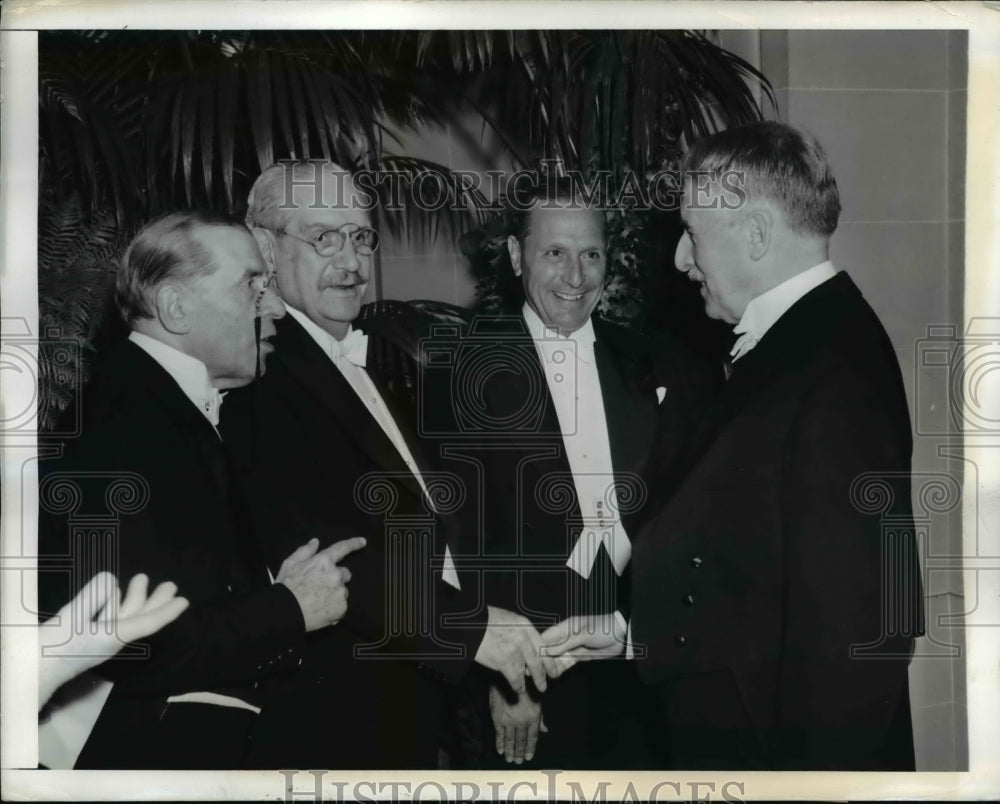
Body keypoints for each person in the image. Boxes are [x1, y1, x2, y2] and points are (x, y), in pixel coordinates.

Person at [221, 161, 561, 769]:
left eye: (361, 237)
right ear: (265, 249)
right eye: (325, 238)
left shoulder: (362, 360)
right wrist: (473, 631)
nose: (351, 261)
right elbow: (325, 555)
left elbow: (432, 528)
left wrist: (495, 668)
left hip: (405, 700)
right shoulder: (257, 376)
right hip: (327, 719)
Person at [628, 121, 924, 770]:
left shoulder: (834, 369)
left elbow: (858, 636)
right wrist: (630, 630)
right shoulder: (800, 344)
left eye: (693, 234)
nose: (680, 259)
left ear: (756, 235)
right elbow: (748, 563)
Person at [38, 211, 366, 769]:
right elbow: (128, 642)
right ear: (175, 307)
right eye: (252, 285)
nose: (277, 306)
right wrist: (289, 608)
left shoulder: (162, 409)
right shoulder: (125, 423)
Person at [425, 179, 715, 768]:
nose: (575, 277)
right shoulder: (460, 372)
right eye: (554, 253)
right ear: (515, 257)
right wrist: (513, 684)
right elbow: (459, 543)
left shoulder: (657, 362)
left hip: (642, 667)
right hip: (532, 675)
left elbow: (690, 518)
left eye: (591, 255)